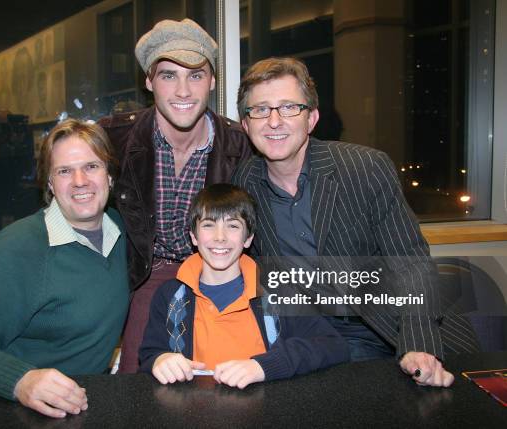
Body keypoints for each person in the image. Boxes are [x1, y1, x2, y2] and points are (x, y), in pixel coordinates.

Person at [231, 57, 480, 388]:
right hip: (322, 336)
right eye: (260, 110)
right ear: (246, 124)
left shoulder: (364, 167)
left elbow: (410, 261)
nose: (274, 121)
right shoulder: (245, 182)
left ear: (312, 119)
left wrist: (419, 343)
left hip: (396, 324)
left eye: (289, 107)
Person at [0, 119, 129, 418]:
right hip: (19, 409)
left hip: (88, 402)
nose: (79, 180)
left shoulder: (123, 231)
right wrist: (20, 380)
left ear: (110, 176)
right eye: (64, 171)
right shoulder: (17, 249)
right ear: (49, 183)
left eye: (91, 166)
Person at [99, 18, 252, 373]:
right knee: (140, 382)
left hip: (220, 270)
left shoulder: (241, 146)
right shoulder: (114, 140)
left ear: (213, 81)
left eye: (195, 75)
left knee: (227, 383)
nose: (183, 91)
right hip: (145, 274)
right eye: (169, 75)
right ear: (149, 81)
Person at [139, 184, 349, 387]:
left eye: (232, 226)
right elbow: (150, 354)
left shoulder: (279, 291)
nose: (220, 237)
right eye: (209, 225)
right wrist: (161, 360)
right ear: (194, 236)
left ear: (248, 238)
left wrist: (264, 366)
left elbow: (333, 345)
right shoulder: (169, 296)